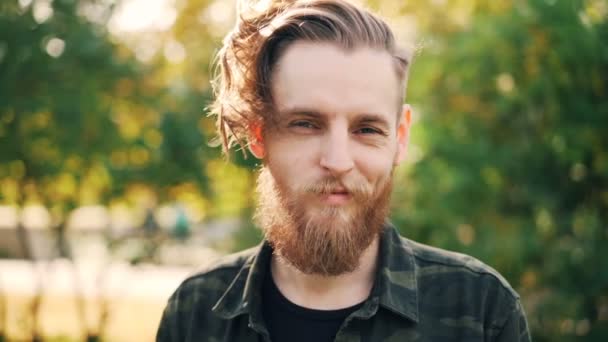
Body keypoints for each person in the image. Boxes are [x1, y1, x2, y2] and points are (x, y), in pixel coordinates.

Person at [156, 0, 531, 341]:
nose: (337, 161)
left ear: (399, 138)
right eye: (306, 124)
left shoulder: (482, 312)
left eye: (367, 129)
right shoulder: (195, 314)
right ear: (259, 133)